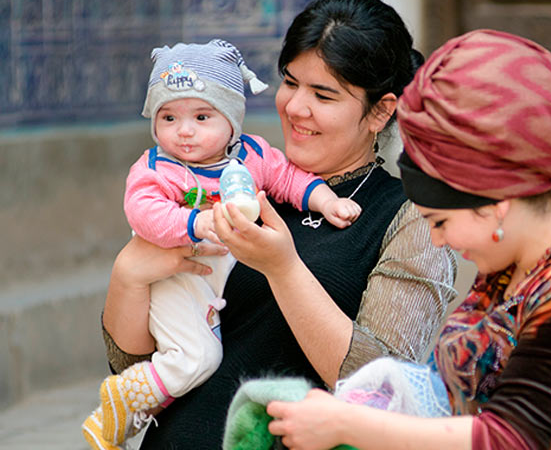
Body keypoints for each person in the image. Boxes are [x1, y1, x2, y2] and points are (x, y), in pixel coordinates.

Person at [97, 0, 458, 449]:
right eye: (291, 82)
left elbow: (377, 389)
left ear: (380, 111)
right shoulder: (239, 178)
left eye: (323, 94)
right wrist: (127, 277)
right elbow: (134, 371)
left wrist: (283, 268)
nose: (295, 107)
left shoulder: (410, 219)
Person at [264, 29, 551, 450]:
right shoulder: (514, 261)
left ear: (494, 202)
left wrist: (346, 424)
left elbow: (509, 439)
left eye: (439, 222)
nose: (438, 241)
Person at [81, 39, 362, 449]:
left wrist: (327, 201)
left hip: (217, 285)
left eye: (201, 115)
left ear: (232, 119)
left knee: (203, 355)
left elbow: (288, 180)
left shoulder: (251, 156)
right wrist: (196, 222)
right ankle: (122, 401)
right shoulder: (159, 167)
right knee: (196, 358)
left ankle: (136, 406)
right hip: (176, 278)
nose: (185, 130)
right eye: (169, 117)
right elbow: (144, 213)